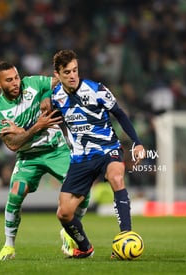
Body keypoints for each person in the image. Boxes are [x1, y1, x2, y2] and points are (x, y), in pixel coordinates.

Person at [0, 61, 89, 260]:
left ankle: (70, 229)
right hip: (28, 156)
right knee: (15, 194)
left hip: (55, 149)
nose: (16, 83)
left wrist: (45, 95)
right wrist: (36, 127)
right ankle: (9, 246)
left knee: (83, 191)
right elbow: (13, 144)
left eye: (16, 77)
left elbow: (59, 81)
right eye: (9, 80)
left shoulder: (32, 83)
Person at [51, 50, 146, 258]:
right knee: (64, 213)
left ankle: (126, 235)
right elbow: (48, 119)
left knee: (116, 177)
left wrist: (137, 143)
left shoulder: (97, 90)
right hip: (80, 158)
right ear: (57, 74)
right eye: (67, 72)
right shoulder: (55, 97)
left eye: (75, 70)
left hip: (107, 149)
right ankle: (85, 248)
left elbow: (120, 114)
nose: (73, 75)